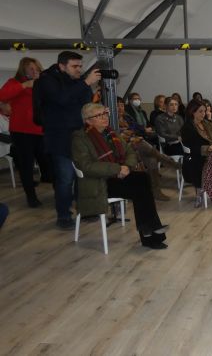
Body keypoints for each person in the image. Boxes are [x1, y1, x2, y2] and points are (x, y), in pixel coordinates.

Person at [72, 103, 169, 250]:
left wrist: (127, 167)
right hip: (99, 182)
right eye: (99, 116)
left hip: (119, 176)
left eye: (105, 114)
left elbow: (130, 151)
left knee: (142, 179)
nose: (105, 118)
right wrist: (117, 168)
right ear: (88, 120)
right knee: (140, 189)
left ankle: (150, 231)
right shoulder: (80, 138)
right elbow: (87, 166)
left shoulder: (111, 133)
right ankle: (151, 233)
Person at [36, 51, 100, 229]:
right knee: (65, 179)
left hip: (79, 135)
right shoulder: (47, 80)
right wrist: (86, 82)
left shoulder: (76, 82)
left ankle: (85, 210)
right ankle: (63, 216)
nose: (79, 69)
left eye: (80, 66)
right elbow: (61, 99)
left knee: (83, 175)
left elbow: (84, 104)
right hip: (59, 137)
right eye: (75, 66)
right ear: (62, 66)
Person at [0, 57, 53, 207]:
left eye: (37, 68)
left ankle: (53, 185)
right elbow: (2, 95)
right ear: (23, 70)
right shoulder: (15, 83)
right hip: (21, 131)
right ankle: (31, 196)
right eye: (31, 69)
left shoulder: (43, 83)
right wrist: (24, 85)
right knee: (26, 165)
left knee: (48, 161)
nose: (35, 71)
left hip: (41, 130)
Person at [117, 97, 180, 201]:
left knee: (152, 160)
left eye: (122, 105)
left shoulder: (127, 117)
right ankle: (168, 161)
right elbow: (118, 135)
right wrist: (132, 134)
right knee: (141, 142)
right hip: (123, 148)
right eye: (117, 105)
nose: (120, 108)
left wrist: (134, 133)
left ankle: (156, 192)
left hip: (135, 144)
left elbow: (138, 128)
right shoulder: (111, 119)